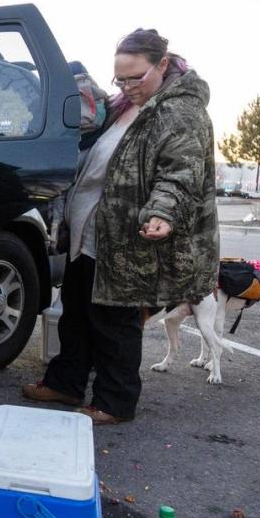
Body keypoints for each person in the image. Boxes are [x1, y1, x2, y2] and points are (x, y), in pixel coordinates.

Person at [24, 28, 218, 425]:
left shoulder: (178, 111)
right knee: (76, 312)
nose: (128, 86)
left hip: (129, 238)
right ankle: (66, 382)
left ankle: (115, 401)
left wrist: (162, 212)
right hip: (90, 233)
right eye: (121, 78)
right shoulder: (119, 106)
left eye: (136, 77)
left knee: (115, 323)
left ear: (162, 65)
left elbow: (181, 172)